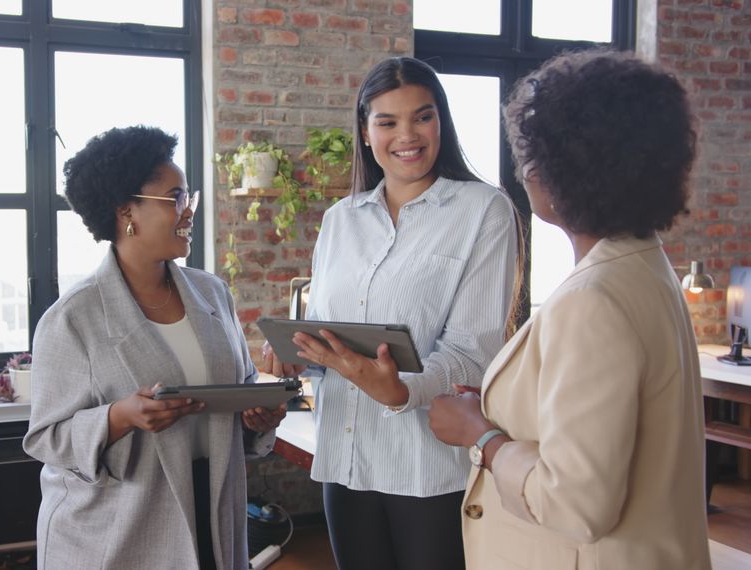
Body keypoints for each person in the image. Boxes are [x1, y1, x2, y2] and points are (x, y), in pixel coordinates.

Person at [428, 49, 710, 569]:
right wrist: (500, 407)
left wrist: (481, 437)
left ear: (554, 169)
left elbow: (576, 504)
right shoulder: (646, 266)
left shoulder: (592, 300)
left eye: (529, 157)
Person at [263, 57, 519, 569]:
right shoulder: (340, 220)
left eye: (422, 117)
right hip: (345, 460)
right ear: (364, 131)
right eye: (387, 122)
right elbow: (333, 336)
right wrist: (298, 353)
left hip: (428, 467)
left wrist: (400, 390)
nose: (408, 135)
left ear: (441, 121)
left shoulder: (483, 210)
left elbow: (474, 353)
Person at [22, 125, 286, 570]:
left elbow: (238, 390)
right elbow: (47, 438)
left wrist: (257, 415)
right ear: (127, 211)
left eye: (189, 198)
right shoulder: (72, 319)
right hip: (119, 526)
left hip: (214, 507)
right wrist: (119, 416)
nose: (189, 212)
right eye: (176, 198)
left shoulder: (213, 293)